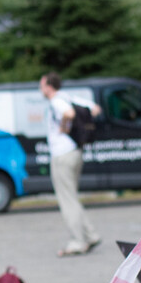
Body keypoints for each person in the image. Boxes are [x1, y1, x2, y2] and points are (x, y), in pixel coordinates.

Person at [40, 72, 101, 257]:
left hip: (62, 154)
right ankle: (90, 235)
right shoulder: (69, 97)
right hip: (75, 151)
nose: (40, 89)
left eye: (42, 85)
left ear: (49, 87)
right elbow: (96, 109)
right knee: (71, 196)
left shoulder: (57, 101)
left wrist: (65, 127)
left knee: (67, 200)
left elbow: (69, 113)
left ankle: (78, 241)